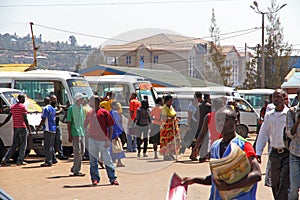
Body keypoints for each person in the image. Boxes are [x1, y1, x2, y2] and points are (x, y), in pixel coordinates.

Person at [182, 107, 261, 199]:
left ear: (236, 122)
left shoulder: (244, 146)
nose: (221, 123)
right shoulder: (215, 146)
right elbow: (217, 179)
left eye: (225, 120)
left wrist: (229, 187)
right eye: (218, 121)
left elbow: (256, 174)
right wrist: (194, 180)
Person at [256, 89, 290, 200]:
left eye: (278, 96)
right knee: (274, 183)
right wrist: (258, 152)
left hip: (287, 153)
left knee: (284, 183)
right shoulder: (269, 116)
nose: (275, 98)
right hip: (274, 154)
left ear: (284, 99)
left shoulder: (289, 114)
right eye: (274, 96)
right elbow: (263, 134)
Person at [84, 95, 119, 186]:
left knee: (107, 160)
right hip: (92, 140)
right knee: (93, 161)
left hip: (103, 140)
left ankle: (112, 178)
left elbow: (111, 126)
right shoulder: (90, 113)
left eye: (92, 101)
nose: (90, 103)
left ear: (97, 102)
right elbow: (85, 124)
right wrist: (87, 133)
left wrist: (109, 139)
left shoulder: (104, 112)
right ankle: (95, 179)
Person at [0, 94, 32, 166]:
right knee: (23, 145)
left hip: (15, 127)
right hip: (22, 127)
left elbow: (8, 117)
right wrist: (29, 129)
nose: (24, 100)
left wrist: (3, 123)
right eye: (23, 98)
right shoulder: (22, 107)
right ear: (20, 99)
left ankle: (5, 159)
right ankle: (20, 160)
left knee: (14, 144)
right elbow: (25, 119)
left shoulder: (13, 107)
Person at [67, 92, 86, 176]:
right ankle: (76, 170)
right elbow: (69, 122)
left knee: (82, 151)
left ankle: (75, 167)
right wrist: (70, 134)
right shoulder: (71, 108)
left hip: (82, 132)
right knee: (77, 151)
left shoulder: (81, 108)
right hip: (75, 132)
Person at [36, 97, 57, 167]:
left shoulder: (45, 109)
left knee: (47, 146)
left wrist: (38, 128)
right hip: (53, 129)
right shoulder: (53, 108)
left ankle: (48, 161)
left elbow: (43, 119)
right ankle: (53, 159)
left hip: (48, 129)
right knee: (51, 145)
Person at [159, 95, 181, 161]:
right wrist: (170, 119)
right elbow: (164, 118)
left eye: (172, 101)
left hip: (173, 127)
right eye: (170, 101)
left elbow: (174, 114)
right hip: (167, 128)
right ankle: (166, 155)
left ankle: (171, 154)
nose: (171, 102)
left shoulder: (171, 107)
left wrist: (175, 119)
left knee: (174, 141)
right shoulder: (164, 108)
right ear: (167, 101)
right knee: (167, 142)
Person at [286, 98, 300, 200]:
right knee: (294, 187)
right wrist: (297, 122)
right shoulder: (292, 112)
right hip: (296, 154)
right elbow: (290, 134)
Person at [181, 92, 202, 156]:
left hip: (198, 124)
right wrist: (188, 125)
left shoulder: (200, 105)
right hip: (193, 124)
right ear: (198, 98)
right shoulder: (191, 106)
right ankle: (192, 154)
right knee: (193, 139)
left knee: (197, 139)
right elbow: (189, 117)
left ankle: (194, 154)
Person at [194, 93, 211, 162]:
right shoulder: (209, 106)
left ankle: (201, 155)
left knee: (200, 139)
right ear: (208, 97)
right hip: (206, 125)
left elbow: (195, 115)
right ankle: (203, 156)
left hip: (200, 124)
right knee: (205, 140)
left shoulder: (200, 106)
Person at [50, 95, 68, 160]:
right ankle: (53, 155)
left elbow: (63, 107)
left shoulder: (57, 105)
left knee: (59, 140)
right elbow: (55, 113)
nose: (55, 100)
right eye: (54, 99)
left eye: (56, 99)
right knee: (52, 142)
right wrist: (60, 110)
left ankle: (60, 154)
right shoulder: (50, 107)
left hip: (57, 125)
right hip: (52, 126)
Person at [109, 101, 125, 167]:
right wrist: (116, 133)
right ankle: (119, 161)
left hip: (111, 132)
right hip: (115, 132)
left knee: (111, 148)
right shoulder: (115, 113)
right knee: (118, 147)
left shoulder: (110, 112)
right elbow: (115, 124)